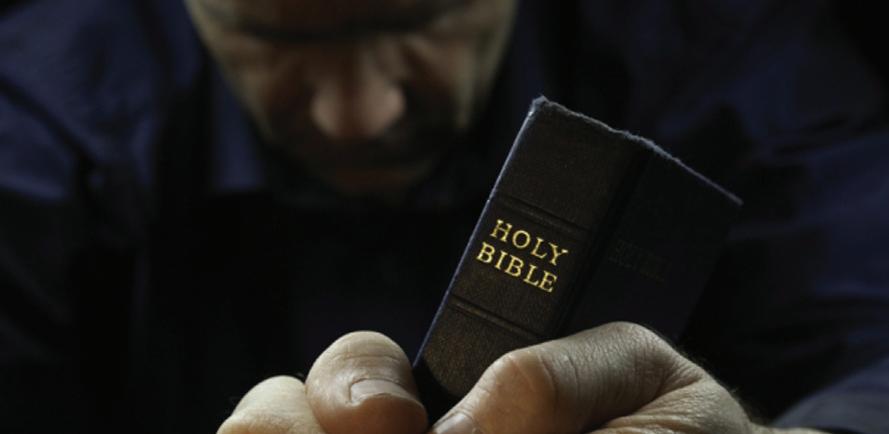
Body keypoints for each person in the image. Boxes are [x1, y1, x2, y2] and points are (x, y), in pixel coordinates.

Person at [1, 0, 888, 433]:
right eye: (274, 38)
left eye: (418, 16)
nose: (358, 116)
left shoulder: (721, 51)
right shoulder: (33, 118)